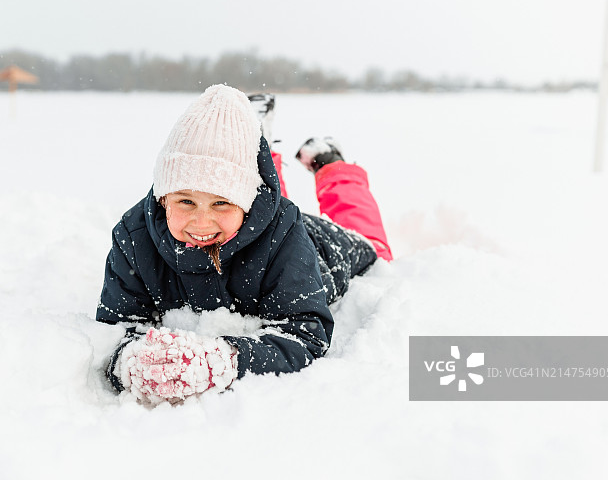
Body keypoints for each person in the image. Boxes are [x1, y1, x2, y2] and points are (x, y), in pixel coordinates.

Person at [96, 84, 392, 405]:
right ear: (163, 197)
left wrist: (227, 359)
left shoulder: (283, 231)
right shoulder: (133, 235)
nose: (201, 222)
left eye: (220, 203)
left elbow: (304, 333)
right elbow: (115, 328)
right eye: (185, 201)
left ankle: (332, 166)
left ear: (250, 206)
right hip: (252, 223)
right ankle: (253, 137)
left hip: (315, 244)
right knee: (244, 189)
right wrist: (129, 360)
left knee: (371, 243)